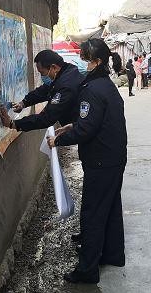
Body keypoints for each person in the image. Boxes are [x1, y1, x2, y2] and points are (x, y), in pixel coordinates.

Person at [47, 38, 127, 284]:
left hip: (101, 161)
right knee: (111, 208)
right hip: (114, 157)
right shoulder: (106, 85)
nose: (83, 64)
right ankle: (113, 254)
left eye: (86, 60)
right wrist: (75, 124)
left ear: (98, 61)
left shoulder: (92, 90)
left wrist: (57, 141)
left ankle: (87, 270)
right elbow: (96, 121)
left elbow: (86, 130)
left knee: (92, 214)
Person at [0, 50, 85, 131]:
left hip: (87, 131)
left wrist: (13, 124)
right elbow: (44, 91)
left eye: (42, 73)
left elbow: (47, 118)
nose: (42, 76)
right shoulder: (66, 73)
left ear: (53, 67)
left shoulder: (66, 86)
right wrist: (24, 103)